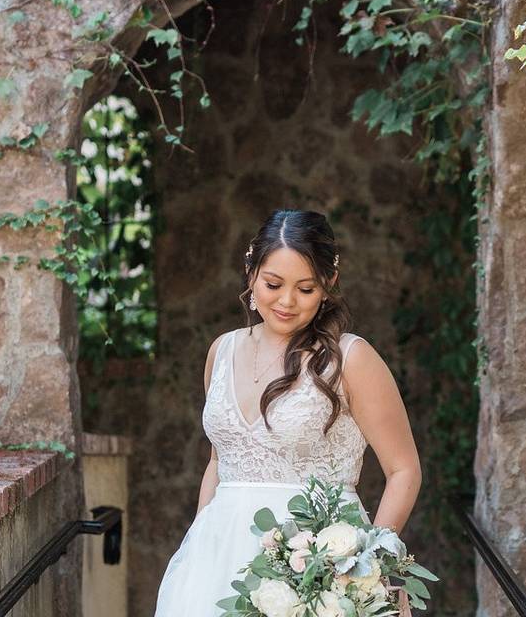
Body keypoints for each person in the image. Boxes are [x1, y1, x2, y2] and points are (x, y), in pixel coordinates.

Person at [153, 209, 422, 616]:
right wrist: (199, 543)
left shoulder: (352, 358)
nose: (286, 301)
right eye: (273, 284)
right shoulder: (221, 352)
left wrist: (369, 565)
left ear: (329, 285)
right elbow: (218, 460)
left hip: (318, 567)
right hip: (216, 559)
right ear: (250, 273)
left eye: (306, 289)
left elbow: (404, 470)